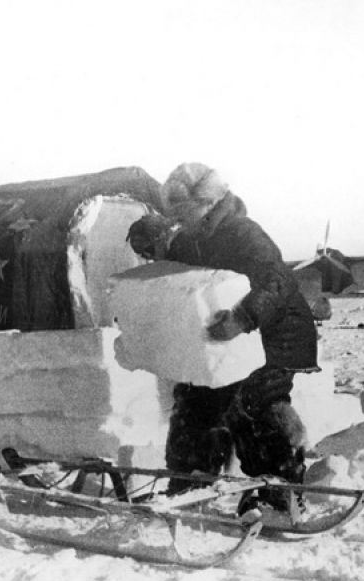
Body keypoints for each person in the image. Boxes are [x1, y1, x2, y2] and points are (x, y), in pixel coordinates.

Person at [126, 163, 320, 512]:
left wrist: (243, 317)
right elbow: (175, 283)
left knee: (253, 402)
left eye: (182, 212)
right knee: (194, 400)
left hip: (272, 334)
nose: (177, 220)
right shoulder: (189, 240)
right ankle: (190, 479)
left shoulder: (244, 234)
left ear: (207, 203)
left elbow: (276, 281)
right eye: (173, 215)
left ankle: (280, 490)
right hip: (220, 342)